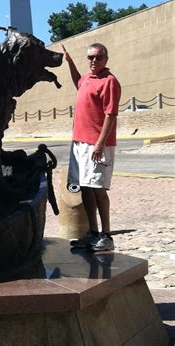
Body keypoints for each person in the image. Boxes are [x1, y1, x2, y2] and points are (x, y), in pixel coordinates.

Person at [63, 43, 121, 251]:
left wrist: (100, 143)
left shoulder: (110, 82)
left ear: (106, 58)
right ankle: (93, 233)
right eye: (90, 57)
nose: (93, 61)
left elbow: (111, 114)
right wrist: (70, 63)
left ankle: (106, 236)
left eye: (97, 57)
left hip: (97, 144)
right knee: (85, 187)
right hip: (80, 141)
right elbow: (78, 82)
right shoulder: (87, 78)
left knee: (98, 188)